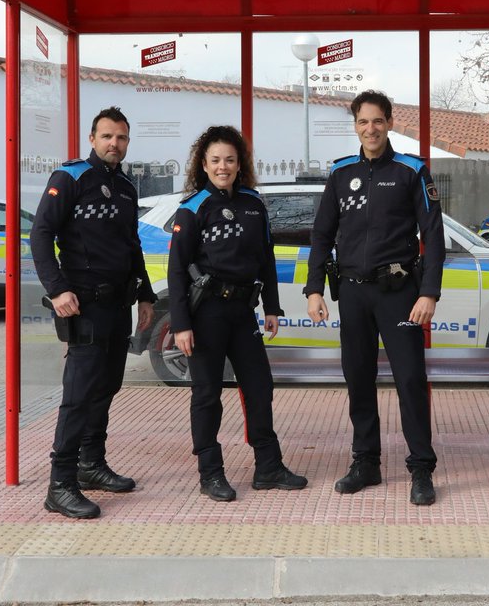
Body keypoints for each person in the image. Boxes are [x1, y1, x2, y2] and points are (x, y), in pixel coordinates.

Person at [305, 90, 445, 506]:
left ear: (389, 122)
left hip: (399, 294)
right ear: (355, 125)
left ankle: (421, 469)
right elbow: (321, 234)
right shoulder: (340, 172)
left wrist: (429, 293)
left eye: (378, 121)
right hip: (352, 292)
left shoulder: (412, 170)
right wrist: (314, 288)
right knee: (358, 379)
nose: (371, 129)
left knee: (410, 382)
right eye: (363, 122)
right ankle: (366, 462)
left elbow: (433, 238)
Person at [168, 125, 308, 502]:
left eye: (230, 159)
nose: (223, 166)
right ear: (203, 163)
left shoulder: (253, 204)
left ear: (239, 163)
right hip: (206, 315)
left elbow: (266, 259)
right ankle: (210, 472)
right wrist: (180, 325)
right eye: (215, 160)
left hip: (243, 312)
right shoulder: (193, 208)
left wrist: (273, 308)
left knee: (260, 388)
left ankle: (268, 467)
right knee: (207, 395)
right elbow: (177, 271)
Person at [31, 106, 157, 520]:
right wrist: (57, 288)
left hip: (117, 304)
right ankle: (60, 484)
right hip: (81, 303)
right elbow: (40, 234)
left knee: (106, 387)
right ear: (92, 138)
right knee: (78, 396)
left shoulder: (124, 186)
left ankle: (90, 464)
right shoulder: (69, 178)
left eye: (121, 137)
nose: (114, 144)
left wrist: (145, 295)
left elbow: (131, 245)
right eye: (107, 136)